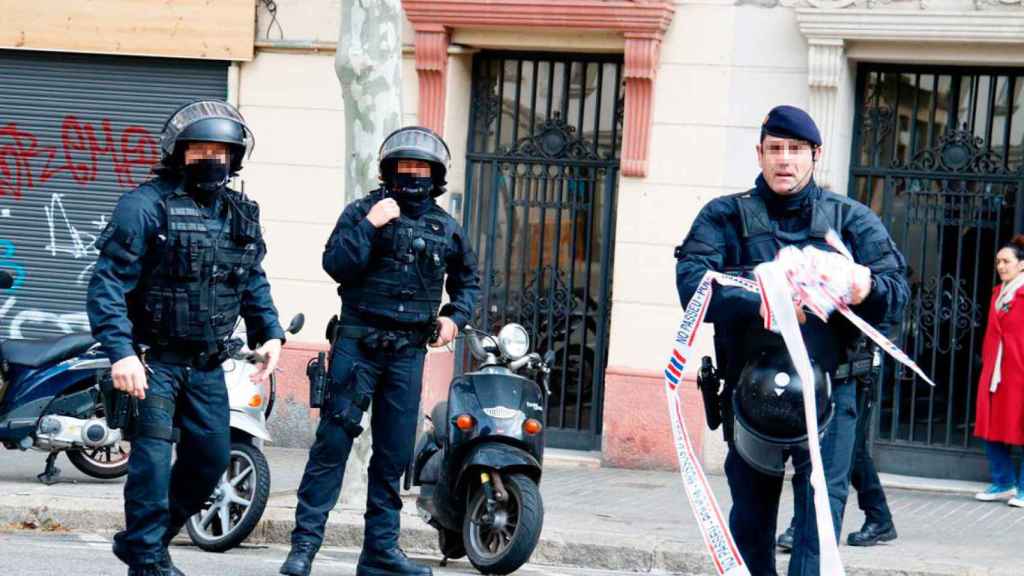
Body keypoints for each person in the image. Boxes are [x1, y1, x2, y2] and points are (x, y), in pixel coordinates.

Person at [674, 105, 909, 576]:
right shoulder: (725, 216)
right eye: (775, 149)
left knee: (818, 531)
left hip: (832, 397)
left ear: (814, 155)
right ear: (760, 153)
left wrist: (864, 286)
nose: (785, 159)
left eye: (796, 149)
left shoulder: (851, 220)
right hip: (750, 396)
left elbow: (896, 293)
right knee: (751, 525)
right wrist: (762, 295)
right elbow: (692, 285)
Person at [87, 100, 285, 576]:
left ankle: (142, 542)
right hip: (151, 362)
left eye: (221, 150)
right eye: (200, 148)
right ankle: (149, 560)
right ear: (178, 152)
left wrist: (270, 331)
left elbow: (250, 276)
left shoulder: (240, 213)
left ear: (235, 157)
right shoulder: (144, 206)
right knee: (152, 465)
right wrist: (121, 353)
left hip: (207, 365)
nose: (211, 158)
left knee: (210, 461)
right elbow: (107, 284)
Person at [279, 126, 481, 576]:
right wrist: (371, 225)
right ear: (389, 171)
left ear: (436, 175)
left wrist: (454, 318)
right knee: (332, 445)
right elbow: (336, 263)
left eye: (422, 168)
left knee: (392, 456)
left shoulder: (445, 227)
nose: (413, 175)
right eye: (405, 167)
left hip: (408, 353)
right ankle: (304, 548)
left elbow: (468, 282)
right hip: (357, 345)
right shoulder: (363, 211)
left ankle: (379, 554)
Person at [777, 364, 897, 551]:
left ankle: (803, 525)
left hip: (856, 374)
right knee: (852, 450)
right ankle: (879, 516)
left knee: (839, 453)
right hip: (836, 373)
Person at [973, 235, 1024, 508]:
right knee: (990, 426)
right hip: (996, 372)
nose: (1001, 266)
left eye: (1006, 261)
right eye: (998, 262)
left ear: (1022, 265)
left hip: (1019, 371)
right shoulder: (998, 292)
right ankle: (1004, 482)